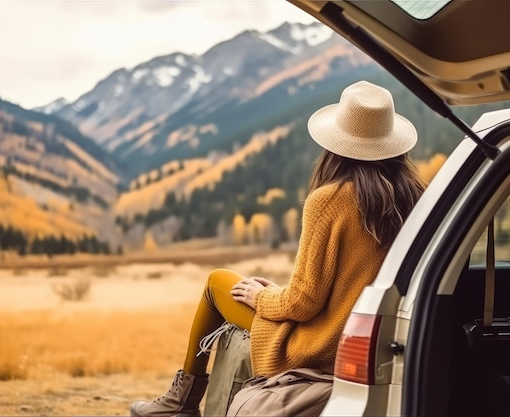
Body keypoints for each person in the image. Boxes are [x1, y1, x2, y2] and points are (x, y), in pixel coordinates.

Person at [130, 80, 426, 417]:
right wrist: (276, 292)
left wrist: (262, 298)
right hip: (380, 341)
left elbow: (303, 303)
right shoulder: (420, 197)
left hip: (323, 345)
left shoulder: (329, 200)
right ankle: (179, 403)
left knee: (217, 283)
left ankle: (179, 403)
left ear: (336, 145)